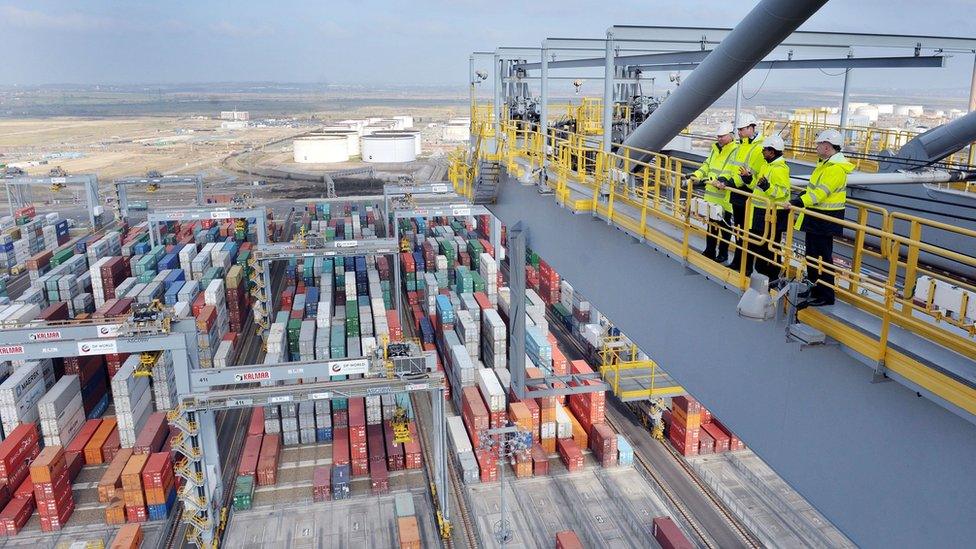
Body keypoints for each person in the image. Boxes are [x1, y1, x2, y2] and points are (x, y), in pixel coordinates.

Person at [790, 128, 853, 307]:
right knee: (812, 254)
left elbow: (820, 193)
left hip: (825, 218)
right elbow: (814, 189)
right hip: (816, 216)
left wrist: (798, 202)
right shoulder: (825, 165)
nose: (817, 147)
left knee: (823, 257)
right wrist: (801, 198)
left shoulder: (835, 169)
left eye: (819, 144)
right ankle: (814, 287)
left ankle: (827, 294)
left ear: (827, 146)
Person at [739, 134, 791, 280]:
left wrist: (767, 186)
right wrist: (748, 179)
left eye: (765, 150)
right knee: (761, 246)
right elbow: (757, 186)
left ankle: (773, 276)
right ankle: (762, 273)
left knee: (770, 246)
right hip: (761, 212)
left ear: (772, 152)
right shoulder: (766, 165)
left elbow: (782, 192)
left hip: (773, 213)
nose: (762, 152)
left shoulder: (780, 169)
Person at [688, 123, 737, 263]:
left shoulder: (734, 150)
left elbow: (730, 170)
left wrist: (719, 180)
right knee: (711, 226)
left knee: (725, 228)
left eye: (722, 136)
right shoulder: (715, 149)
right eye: (718, 136)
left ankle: (723, 254)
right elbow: (707, 165)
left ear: (730, 136)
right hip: (711, 194)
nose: (720, 139)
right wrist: (697, 174)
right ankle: (709, 250)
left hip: (724, 197)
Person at [728, 113, 765, 271]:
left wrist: (734, 181)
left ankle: (746, 266)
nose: (739, 132)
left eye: (742, 129)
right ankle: (738, 261)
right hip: (737, 193)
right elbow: (733, 169)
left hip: (748, 194)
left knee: (747, 232)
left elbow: (754, 176)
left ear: (751, 128)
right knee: (739, 230)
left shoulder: (759, 148)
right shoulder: (740, 146)